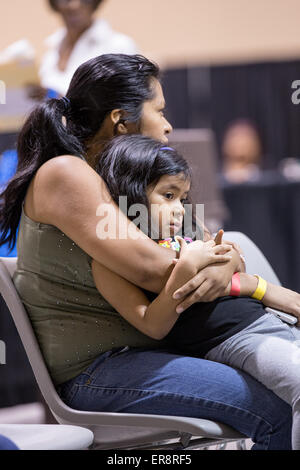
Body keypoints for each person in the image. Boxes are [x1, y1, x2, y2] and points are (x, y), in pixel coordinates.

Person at [0, 54, 292, 450]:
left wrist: (225, 261)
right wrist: (224, 265)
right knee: (272, 410)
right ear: (122, 120)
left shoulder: (123, 176)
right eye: (161, 110)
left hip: (162, 345)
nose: (169, 124)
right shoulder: (66, 173)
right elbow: (160, 272)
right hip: (101, 369)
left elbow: (209, 244)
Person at [93, 134, 300, 449]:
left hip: (267, 321)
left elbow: (234, 264)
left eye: (182, 197)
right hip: (233, 340)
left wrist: (244, 280)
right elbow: (152, 325)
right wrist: (187, 270)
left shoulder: (187, 230)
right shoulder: (110, 260)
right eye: (168, 195)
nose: (179, 209)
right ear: (131, 193)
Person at [28, 0, 137, 99]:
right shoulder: (52, 48)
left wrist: (60, 101)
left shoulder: (119, 46)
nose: (74, 5)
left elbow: (127, 102)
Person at [221, 119, 263, 184]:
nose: (240, 142)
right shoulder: (217, 173)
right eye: (235, 136)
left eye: (245, 136)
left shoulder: (261, 175)